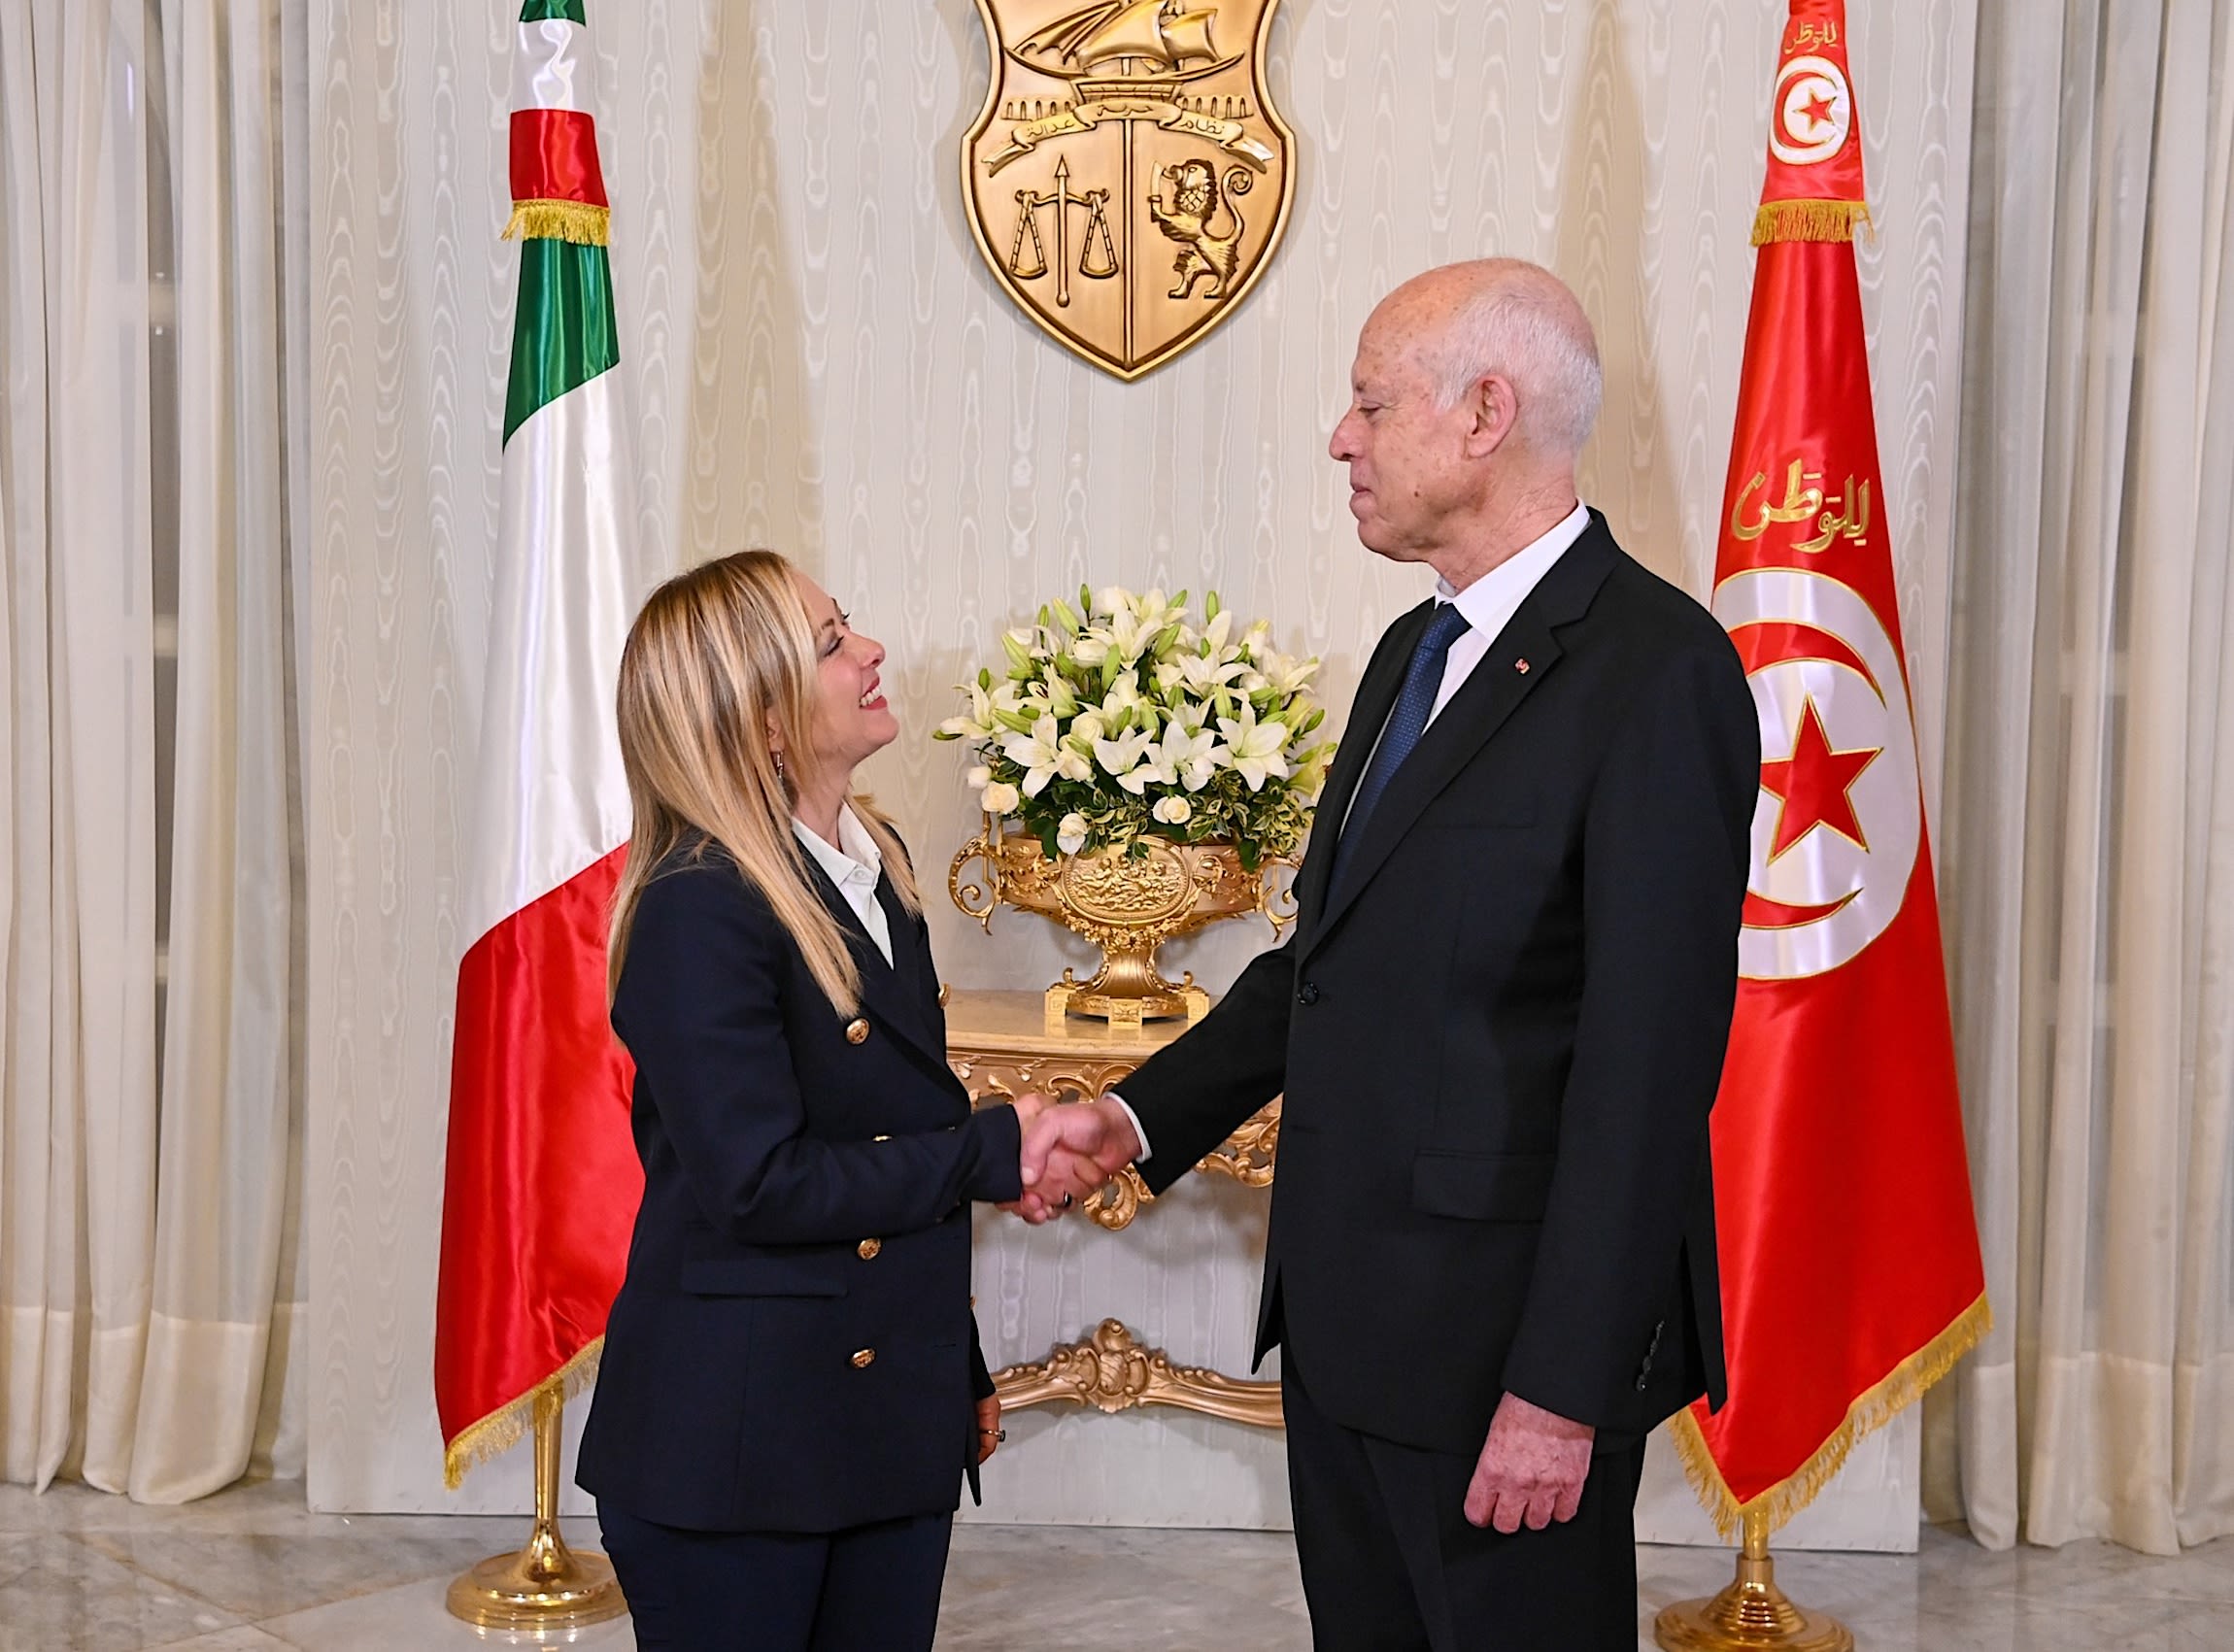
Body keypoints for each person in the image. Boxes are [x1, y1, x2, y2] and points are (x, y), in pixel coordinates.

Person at [1013, 259, 1762, 1650]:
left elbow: (1645, 1075)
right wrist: (1127, 1117)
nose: (1341, 440)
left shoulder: (1659, 672)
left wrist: (1562, 1392)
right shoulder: (1411, 652)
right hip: (1352, 1332)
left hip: (1503, 1370)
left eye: (1370, 404)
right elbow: (1326, 963)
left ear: (1487, 413)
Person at [576, 550, 1044, 1651]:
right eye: (830, 643)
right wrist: (993, 1153)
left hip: (876, 1426)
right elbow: (760, 1184)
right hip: (736, 1450)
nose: (869, 651)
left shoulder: (870, 864)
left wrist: (952, 1368)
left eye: (847, 628)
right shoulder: (699, 904)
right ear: (765, 720)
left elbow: (897, 1131)